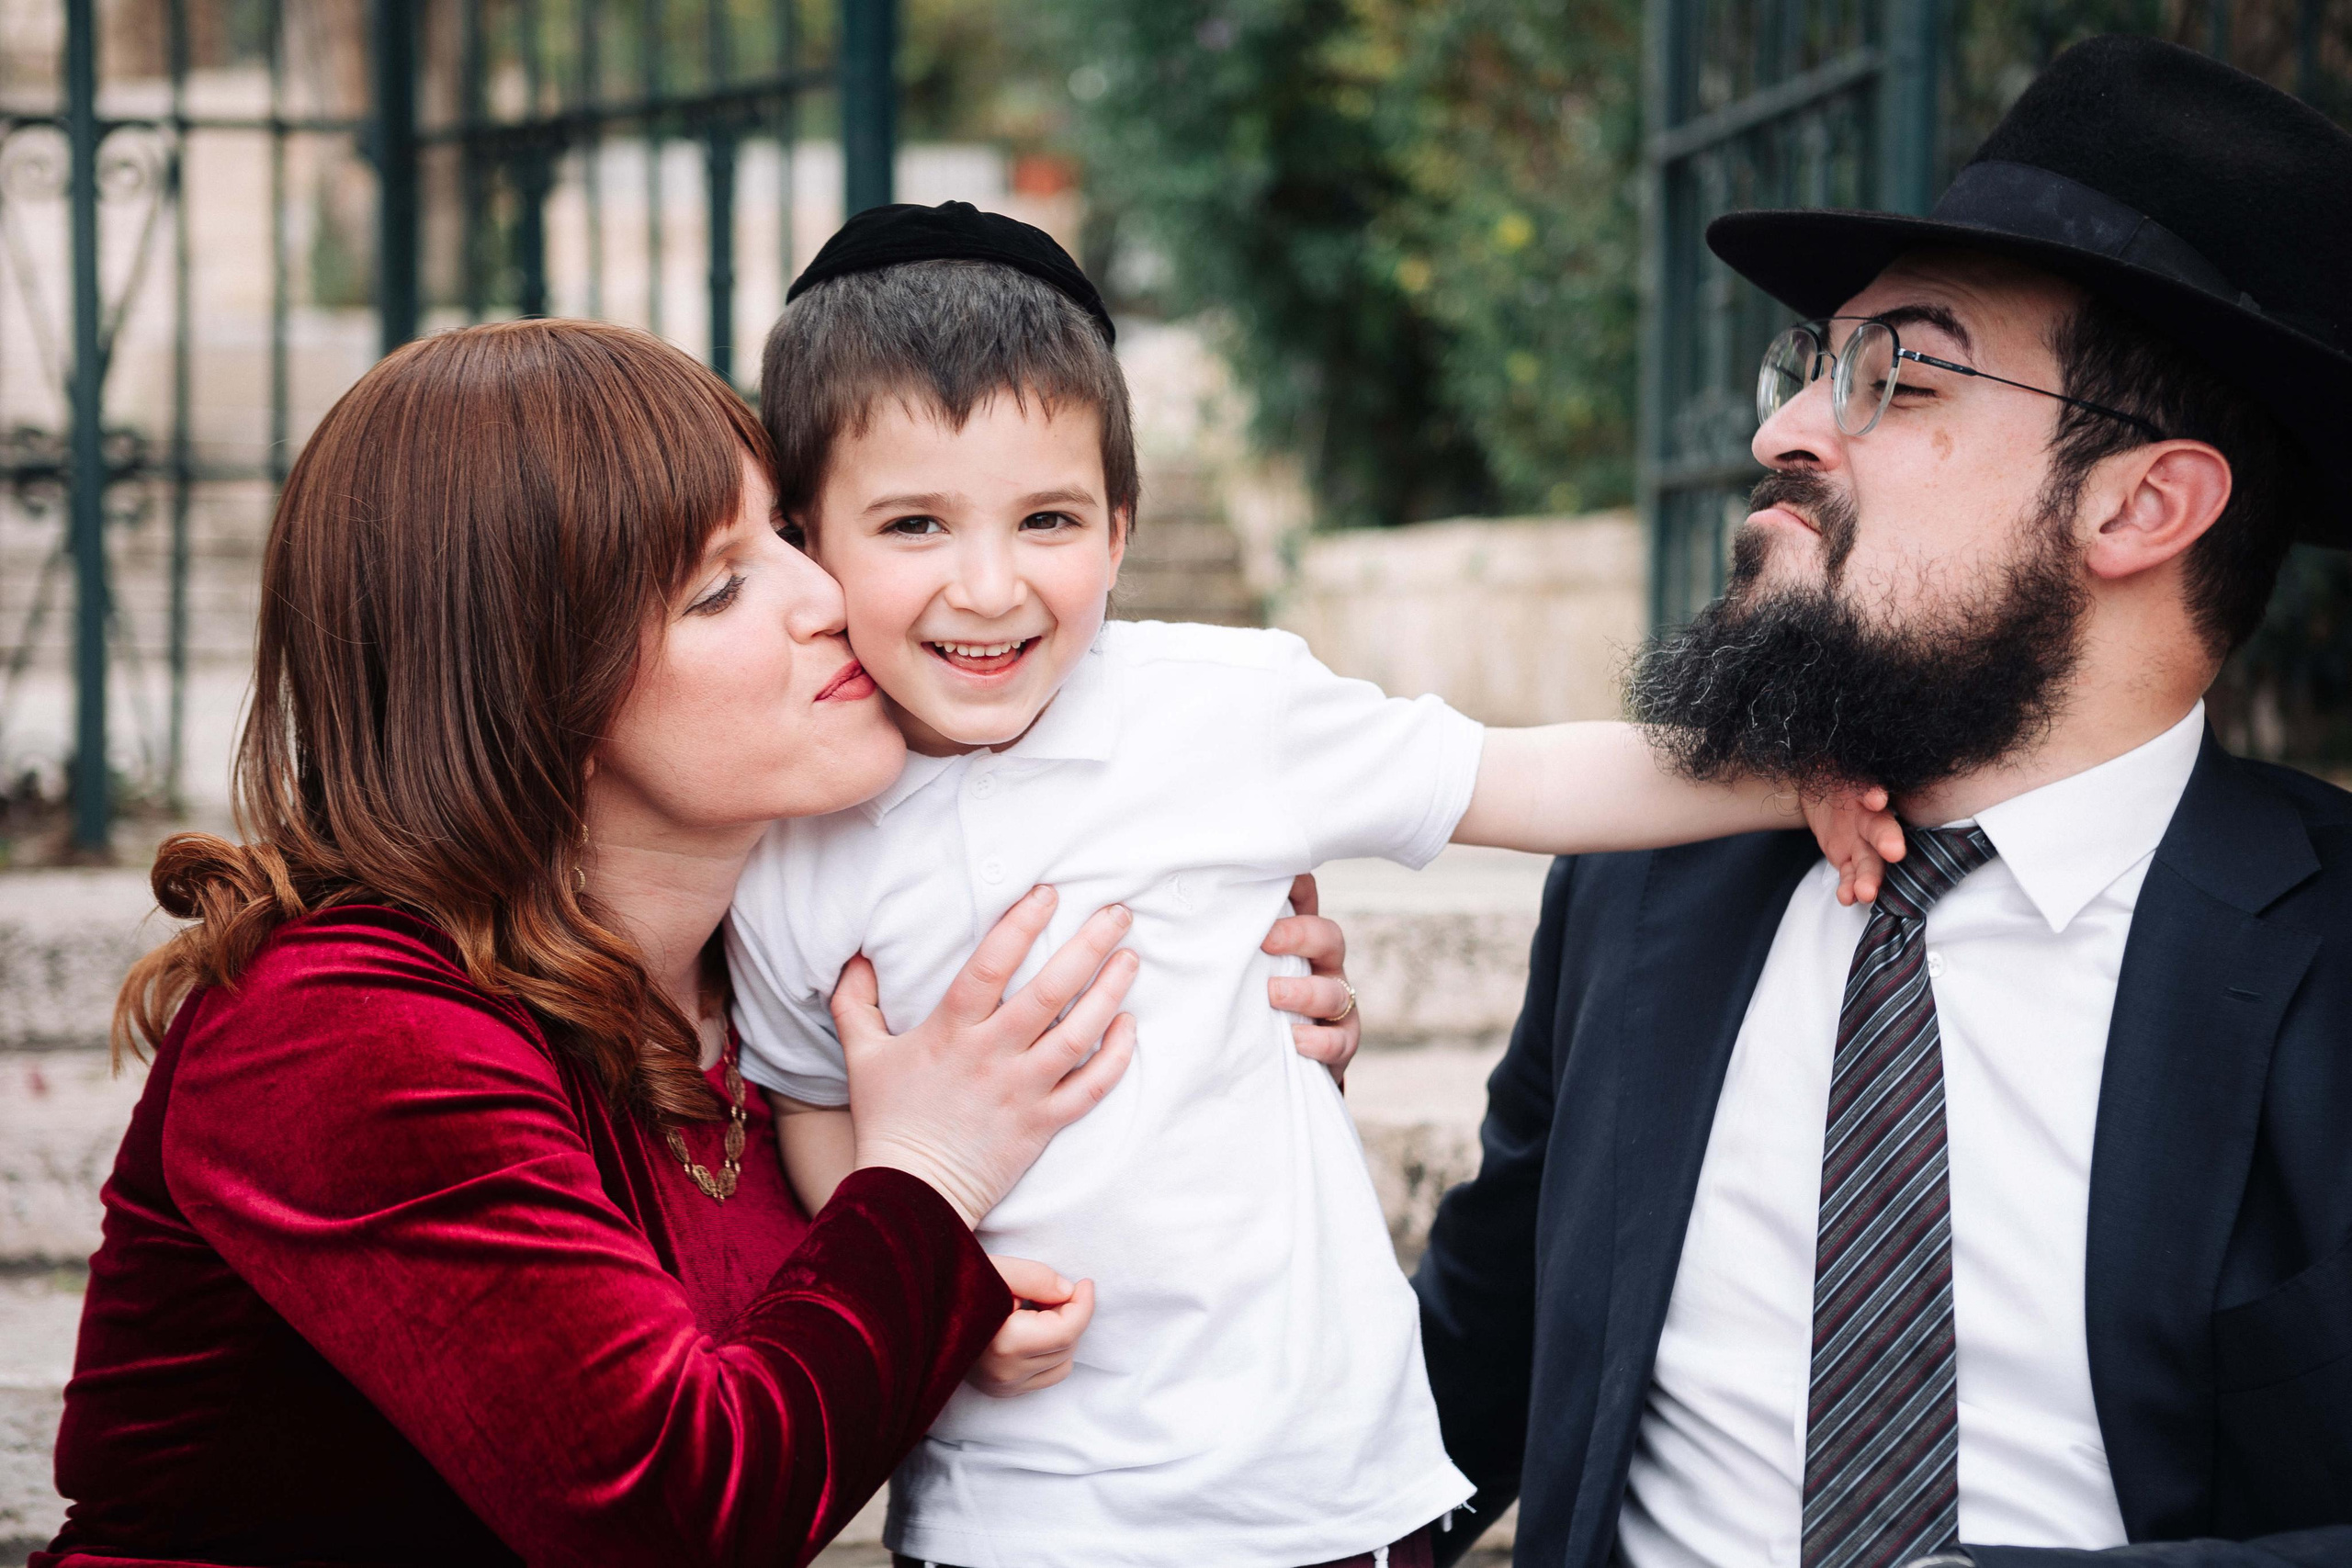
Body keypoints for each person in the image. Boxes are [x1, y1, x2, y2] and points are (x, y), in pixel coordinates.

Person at [37, 319, 1370, 1566]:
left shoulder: (775, 970)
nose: (828, 595)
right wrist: (928, 1172)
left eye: (790, 531)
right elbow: (672, 1517)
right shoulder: (344, 1029)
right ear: (531, 688)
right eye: (724, 585)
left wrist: (1230, 1012)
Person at [729, 203, 1897, 1568]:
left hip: (1315, 1483)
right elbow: (815, 1101)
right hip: (1015, 1504)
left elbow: (1516, 779)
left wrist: (1788, 777)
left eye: (1045, 518)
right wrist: (937, 1291)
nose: (988, 587)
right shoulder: (799, 835)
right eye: (915, 524)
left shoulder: (1221, 708)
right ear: (810, 543)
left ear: (1119, 530)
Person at [1412, 35, 2352, 1568]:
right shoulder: (1650, 878)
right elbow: (1441, 1414)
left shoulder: (2328, 951)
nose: (1783, 430)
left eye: (1894, 375)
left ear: (2140, 506)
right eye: (1809, 367)